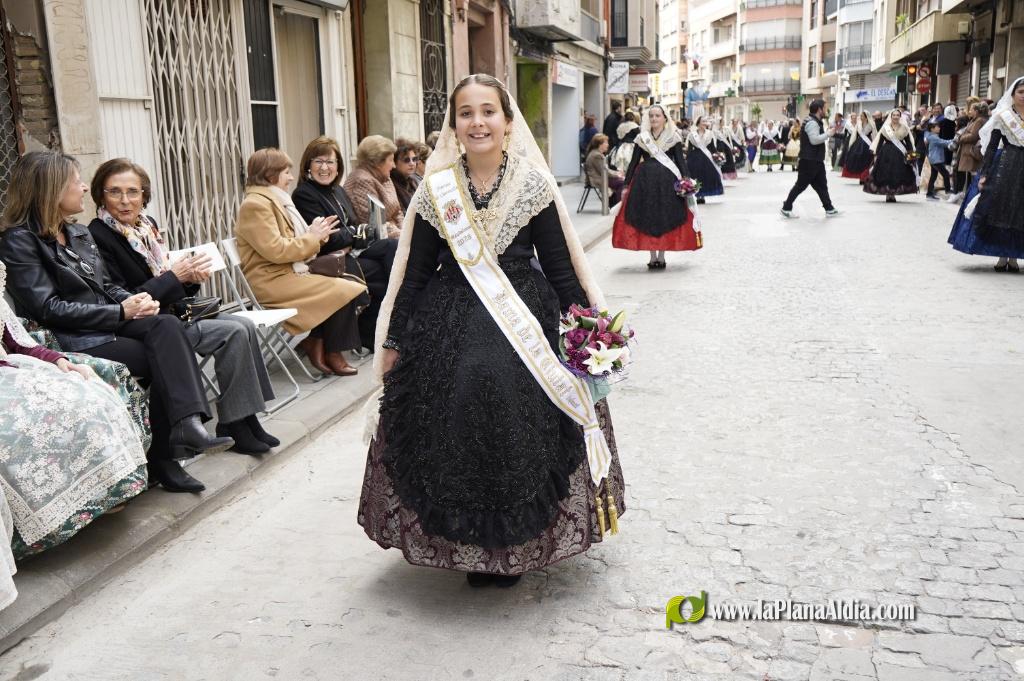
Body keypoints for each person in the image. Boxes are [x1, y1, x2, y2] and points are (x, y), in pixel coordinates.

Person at [358, 74, 626, 587]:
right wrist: (394, 342)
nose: (477, 122)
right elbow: (414, 274)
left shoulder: (534, 184)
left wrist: (587, 333)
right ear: (453, 125)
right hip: (448, 319)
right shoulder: (437, 190)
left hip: (525, 313)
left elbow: (560, 265)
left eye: (488, 112)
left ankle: (509, 534)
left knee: (513, 407)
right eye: (466, 113)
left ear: (507, 122)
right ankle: (469, 537)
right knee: (452, 411)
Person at [0, 151, 233, 494]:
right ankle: (168, 454)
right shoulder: (20, 240)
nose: (83, 188)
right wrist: (121, 312)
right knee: (165, 353)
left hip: (106, 322)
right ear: (51, 189)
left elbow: (104, 285)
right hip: (71, 336)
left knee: (166, 326)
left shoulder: (77, 232)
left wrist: (132, 302)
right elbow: (47, 308)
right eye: (76, 182)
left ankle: (185, 427)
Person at [87, 158, 279, 455]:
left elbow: (170, 283)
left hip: (173, 315)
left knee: (245, 325)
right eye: (115, 192)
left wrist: (190, 278)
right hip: (148, 327)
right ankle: (236, 423)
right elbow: (126, 299)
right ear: (101, 195)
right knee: (234, 333)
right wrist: (176, 277)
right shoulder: (97, 235)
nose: (125, 201)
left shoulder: (145, 227)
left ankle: (244, 418)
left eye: (133, 192)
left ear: (144, 196)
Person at [0, 259, 151, 553]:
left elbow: (18, 342)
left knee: (82, 395)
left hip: (9, 369)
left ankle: (100, 495)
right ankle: (45, 527)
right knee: (21, 426)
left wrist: (60, 361)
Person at [234, 148, 368, 376]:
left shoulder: (273, 200)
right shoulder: (256, 205)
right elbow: (277, 250)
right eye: (286, 172)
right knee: (345, 289)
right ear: (271, 175)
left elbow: (287, 243)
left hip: (287, 274)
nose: (291, 177)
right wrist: (313, 237)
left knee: (347, 284)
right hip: (271, 282)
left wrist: (316, 233)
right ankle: (329, 349)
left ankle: (318, 341)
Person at [292, 136, 400, 350]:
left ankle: (375, 329)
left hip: (351, 253)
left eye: (330, 162)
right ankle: (374, 330)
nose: (325, 168)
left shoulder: (337, 190)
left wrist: (353, 232)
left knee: (391, 253)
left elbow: (352, 228)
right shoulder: (304, 194)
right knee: (383, 271)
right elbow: (329, 239)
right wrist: (355, 232)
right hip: (327, 261)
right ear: (307, 166)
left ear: (338, 166)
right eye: (319, 162)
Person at [613, 105, 701, 269]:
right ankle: (652, 256)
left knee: (664, 216)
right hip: (645, 182)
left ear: (664, 118)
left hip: (667, 183)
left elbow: (680, 161)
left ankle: (662, 256)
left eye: (657, 116)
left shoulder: (673, 137)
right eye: (651, 116)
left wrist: (687, 180)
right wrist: (626, 184)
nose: (654, 119)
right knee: (648, 216)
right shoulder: (642, 137)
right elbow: (633, 162)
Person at [953, 76, 1024, 272]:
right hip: (1006, 166)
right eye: (1021, 92)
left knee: (1019, 212)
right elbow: (992, 147)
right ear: (1013, 94)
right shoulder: (1003, 117)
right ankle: (1003, 255)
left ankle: (1014, 256)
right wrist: (985, 173)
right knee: (1001, 211)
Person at [780, 99, 839, 219]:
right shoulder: (812, 122)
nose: (826, 110)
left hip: (814, 160)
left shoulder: (813, 121)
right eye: (825, 108)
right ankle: (786, 207)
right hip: (809, 161)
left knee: (821, 185)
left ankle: (829, 208)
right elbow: (814, 140)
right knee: (800, 186)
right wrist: (829, 133)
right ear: (819, 109)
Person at [343, 135, 404, 239]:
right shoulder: (361, 180)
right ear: (377, 162)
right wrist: (404, 237)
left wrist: (406, 231)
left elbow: (397, 212)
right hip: (372, 243)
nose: (394, 166)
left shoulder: (384, 177)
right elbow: (375, 225)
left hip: (395, 236)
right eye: (391, 160)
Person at [863, 109, 919, 202]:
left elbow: (909, 143)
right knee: (886, 173)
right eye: (894, 115)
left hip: (900, 154)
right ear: (891, 117)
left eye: (898, 115)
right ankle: (889, 194)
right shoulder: (885, 128)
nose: (896, 117)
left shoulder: (904, 128)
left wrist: (912, 156)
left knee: (898, 173)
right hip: (886, 153)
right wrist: (876, 155)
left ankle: (893, 192)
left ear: (900, 117)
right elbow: (880, 142)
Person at [949, 102, 989, 203]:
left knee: (973, 176)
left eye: (971, 109)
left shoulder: (979, 121)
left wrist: (960, 138)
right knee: (970, 176)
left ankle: (972, 198)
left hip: (972, 153)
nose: (969, 111)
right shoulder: (975, 120)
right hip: (968, 152)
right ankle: (969, 197)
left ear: (976, 111)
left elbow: (974, 136)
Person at [684, 116, 725, 205]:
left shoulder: (710, 134)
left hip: (707, 158)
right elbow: (690, 149)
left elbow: (712, 147)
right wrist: (687, 160)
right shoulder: (692, 135)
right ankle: (697, 195)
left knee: (706, 177)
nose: (705, 123)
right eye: (703, 121)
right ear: (698, 123)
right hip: (695, 158)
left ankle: (703, 195)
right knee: (696, 176)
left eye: (706, 121)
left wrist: (717, 155)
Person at [584, 134, 624, 207]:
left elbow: (605, 170)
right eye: (606, 143)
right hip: (599, 179)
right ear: (600, 144)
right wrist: (617, 174)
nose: (608, 145)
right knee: (622, 183)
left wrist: (617, 173)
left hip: (601, 177)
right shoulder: (596, 155)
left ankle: (615, 203)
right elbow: (604, 171)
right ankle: (617, 205)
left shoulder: (596, 153)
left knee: (621, 181)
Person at [841, 111, 875, 182]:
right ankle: (860, 176)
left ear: (866, 117)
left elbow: (875, 135)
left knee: (867, 160)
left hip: (868, 144)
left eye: (862, 116)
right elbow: (854, 134)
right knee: (857, 160)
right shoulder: (858, 124)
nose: (860, 117)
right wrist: (851, 143)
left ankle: (865, 177)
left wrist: (875, 145)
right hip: (858, 144)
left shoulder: (871, 124)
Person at [924, 123, 955, 200]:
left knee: (933, 176)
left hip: (933, 159)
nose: (939, 128)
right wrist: (955, 140)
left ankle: (929, 194)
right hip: (936, 159)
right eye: (937, 127)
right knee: (946, 174)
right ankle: (948, 190)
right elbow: (944, 143)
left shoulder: (930, 136)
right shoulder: (934, 137)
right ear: (932, 129)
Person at [389, 138, 420, 211]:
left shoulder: (413, 181)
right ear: (395, 162)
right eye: (406, 160)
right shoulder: (391, 184)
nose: (412, 163)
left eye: (414, 159)